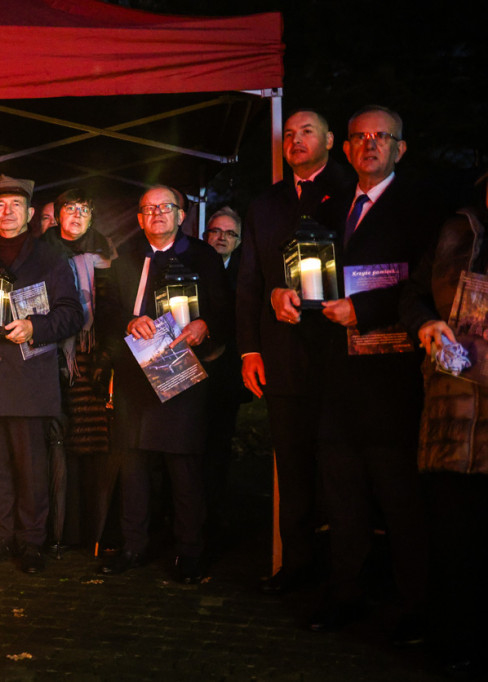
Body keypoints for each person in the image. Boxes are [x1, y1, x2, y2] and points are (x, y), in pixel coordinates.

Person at [308, 105, 439, 642]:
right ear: (346, 148)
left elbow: (427, 289)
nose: (369, 145)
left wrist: (366, 310)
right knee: (343, 498)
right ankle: (346, 596)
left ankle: (417, 608)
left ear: (400, 148)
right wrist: (291, 292)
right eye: (360, 137)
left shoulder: (424, 211)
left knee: (401, 501)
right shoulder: (332, 206)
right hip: (337, 379)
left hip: (392, 380)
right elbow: (311, 269)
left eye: (381, 137)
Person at [236, 109, 354, 595]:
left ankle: (343, 576)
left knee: (340, 468)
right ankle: (297, 568)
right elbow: (249, 281)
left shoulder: (352, 194)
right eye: (289, 134)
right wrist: (249, 351)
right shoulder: (265, 204)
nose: (296, 140)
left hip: (340, 352)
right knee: (291, 465)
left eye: (307, 132)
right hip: (282, 354)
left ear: (331, 140)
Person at [96, 184, 232, 584]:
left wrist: (205, 325)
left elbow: (226, 308)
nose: (155, 214)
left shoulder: (203, 256)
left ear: (181, 215)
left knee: (183, 466)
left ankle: (190, 551)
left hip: (183, 372)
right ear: (139, 218)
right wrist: (126, 321)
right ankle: (134, 546)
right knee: (133, 464)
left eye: (164, 207)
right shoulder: (125, 258)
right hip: (134, 376)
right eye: (147, 209)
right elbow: (105, 309)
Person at [0, 174, 83, 574]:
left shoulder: (51, 258)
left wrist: (33, 327)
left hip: (28, 378)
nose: (6, 213)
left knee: (31, 467)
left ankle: (31, 541)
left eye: (15, 206)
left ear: (29, 213)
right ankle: (1, 536)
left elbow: (71, 314)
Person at [399, 176, 488, 675]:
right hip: (452, 415)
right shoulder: (456, 231)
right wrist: (425, 324)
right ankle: (454, 643)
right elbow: (413, 296)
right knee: (455, 536)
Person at [40, 188, 116, 551]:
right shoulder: (41, 253)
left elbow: (116, 308)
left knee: (93, 449)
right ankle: (60, 531)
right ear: (57, 215)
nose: (77, 215)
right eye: (69, 209)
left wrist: (106, 356)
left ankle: (93, 533)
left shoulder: (106, 254)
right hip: (52, 357)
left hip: (93, 360)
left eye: (84, 209)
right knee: (58, 447)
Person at [200, 207, 249, 553]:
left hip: (226, 373)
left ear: (239, 241)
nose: (220, 237)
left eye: (228, 233)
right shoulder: (193, 267)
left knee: (218, 445)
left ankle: (214, 515)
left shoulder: (244, 275)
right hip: (190, 367)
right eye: (215, 231)